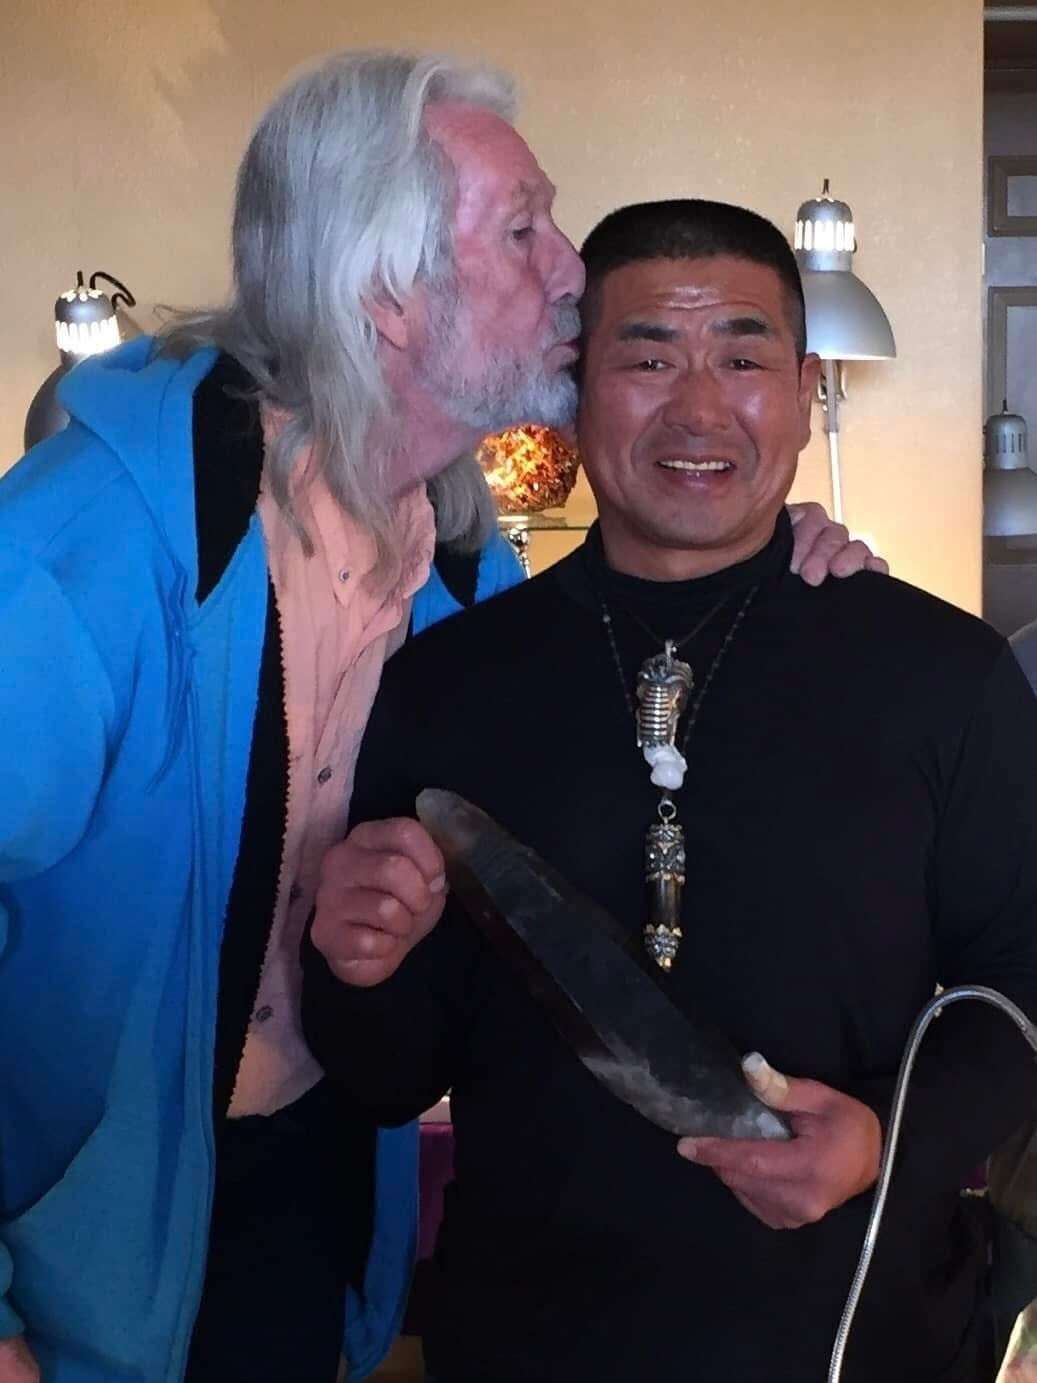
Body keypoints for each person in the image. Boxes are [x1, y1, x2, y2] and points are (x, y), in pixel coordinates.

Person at [0, 54, 874, 1383]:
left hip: (307, 1201)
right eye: (524, 230)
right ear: (386, 295)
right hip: (73, 1258)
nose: (573, 271)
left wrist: (778, 553)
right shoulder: (92, 537)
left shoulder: (464, 569)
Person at [304, 198, 1037, 1383]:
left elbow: (1021, 984)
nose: (698, 409)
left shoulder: (941, 676)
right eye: (647, 358)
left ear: (801, 389)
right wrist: (357, 960)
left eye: (741, 358)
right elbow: (386, 1076)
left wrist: (884, 1143)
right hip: (533, 1341)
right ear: (570, 388)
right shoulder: (446, 685)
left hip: (863, 1333)